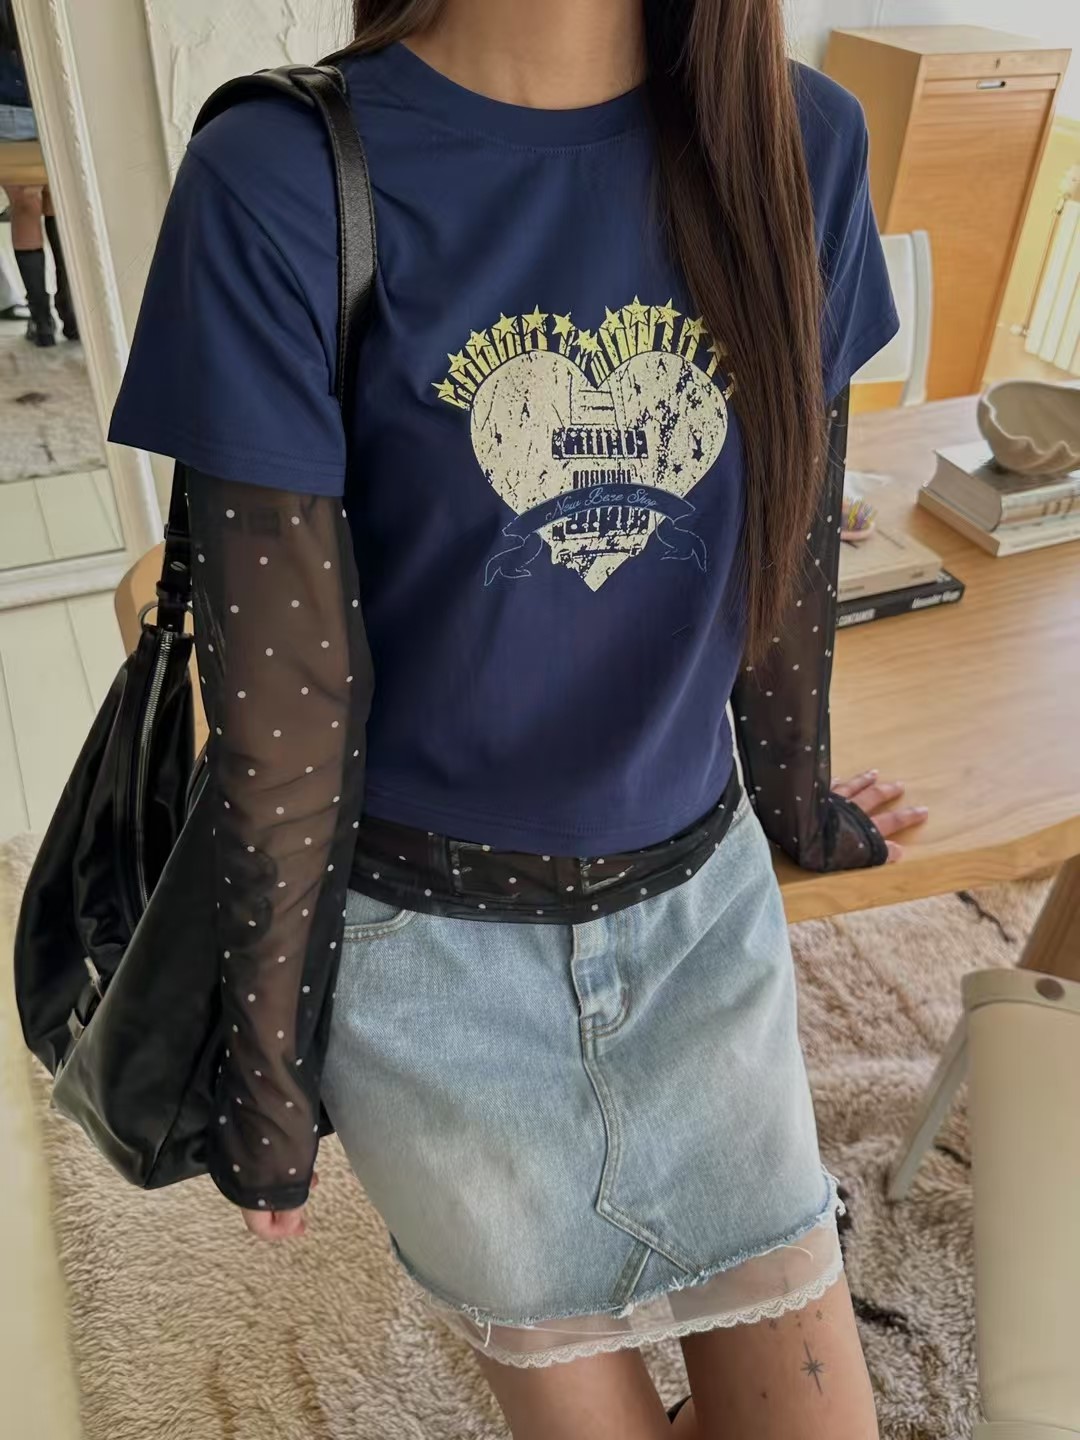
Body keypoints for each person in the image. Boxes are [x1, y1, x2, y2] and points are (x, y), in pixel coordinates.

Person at [109, 3, 929, 1437]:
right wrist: (267, 1067)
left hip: (700, 930)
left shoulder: (802, 144)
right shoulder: (280, 174)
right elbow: (280, 702)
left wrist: (798, 800)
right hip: (426, 972)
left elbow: (791, 549)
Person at [0, 0, 78, 345]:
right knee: (58, 204)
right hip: (58, 100)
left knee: (26, 204)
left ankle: (42, 322)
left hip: (8, 108)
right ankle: (73, 314)